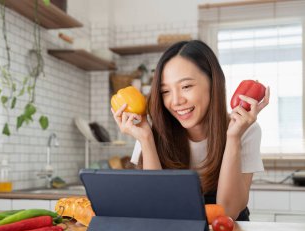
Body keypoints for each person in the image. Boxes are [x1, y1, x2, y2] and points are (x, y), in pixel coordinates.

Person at [111, 40, 270, 221]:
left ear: (213, 82)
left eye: (186, 86)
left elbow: (228, 212)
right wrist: (146, 139)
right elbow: (156, 204)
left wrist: (233, 138)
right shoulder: (151, 128)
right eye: (165, 91)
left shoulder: (244, 128)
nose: (176, 101)